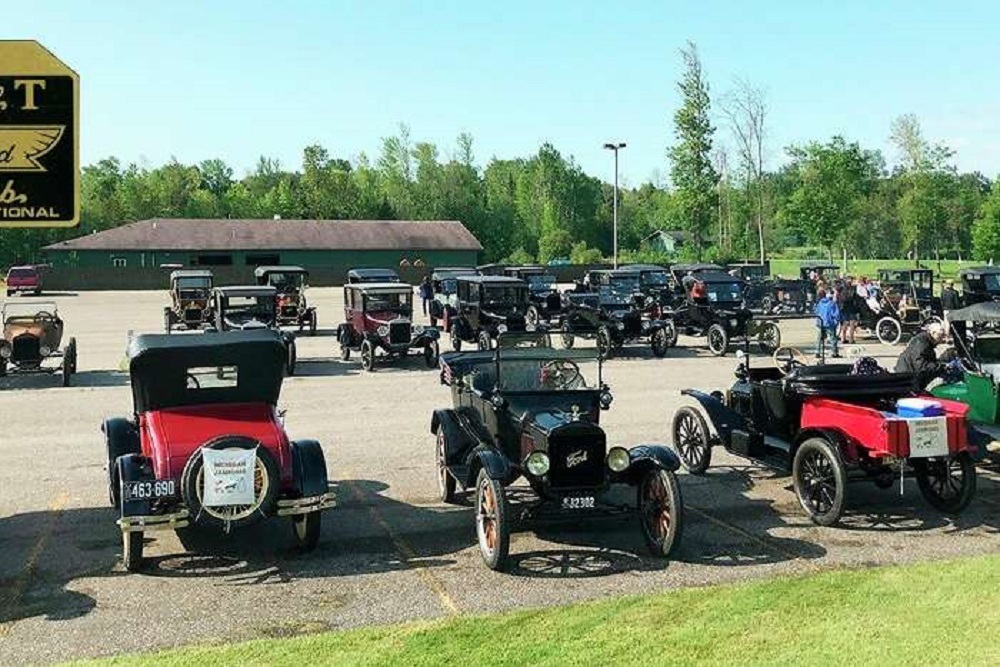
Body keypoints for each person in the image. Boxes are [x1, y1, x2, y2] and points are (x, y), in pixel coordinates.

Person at [894, 321, 949, 388]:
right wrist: (940, 367)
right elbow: (920, 365)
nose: (941, 339)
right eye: (940, 336)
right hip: (907, 375)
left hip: (910, 373)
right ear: (933, 333)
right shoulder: (921, 343)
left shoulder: (927, 341)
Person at [814, 288, 841, 358]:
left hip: (820, 323)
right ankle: (834, 352)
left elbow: (816, 312)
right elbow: (836, 314)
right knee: (833, 338)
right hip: (829, 323)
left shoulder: (819, 303)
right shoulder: (832, 303)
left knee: (819, 338)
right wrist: (836, 322)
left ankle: (817, 352)